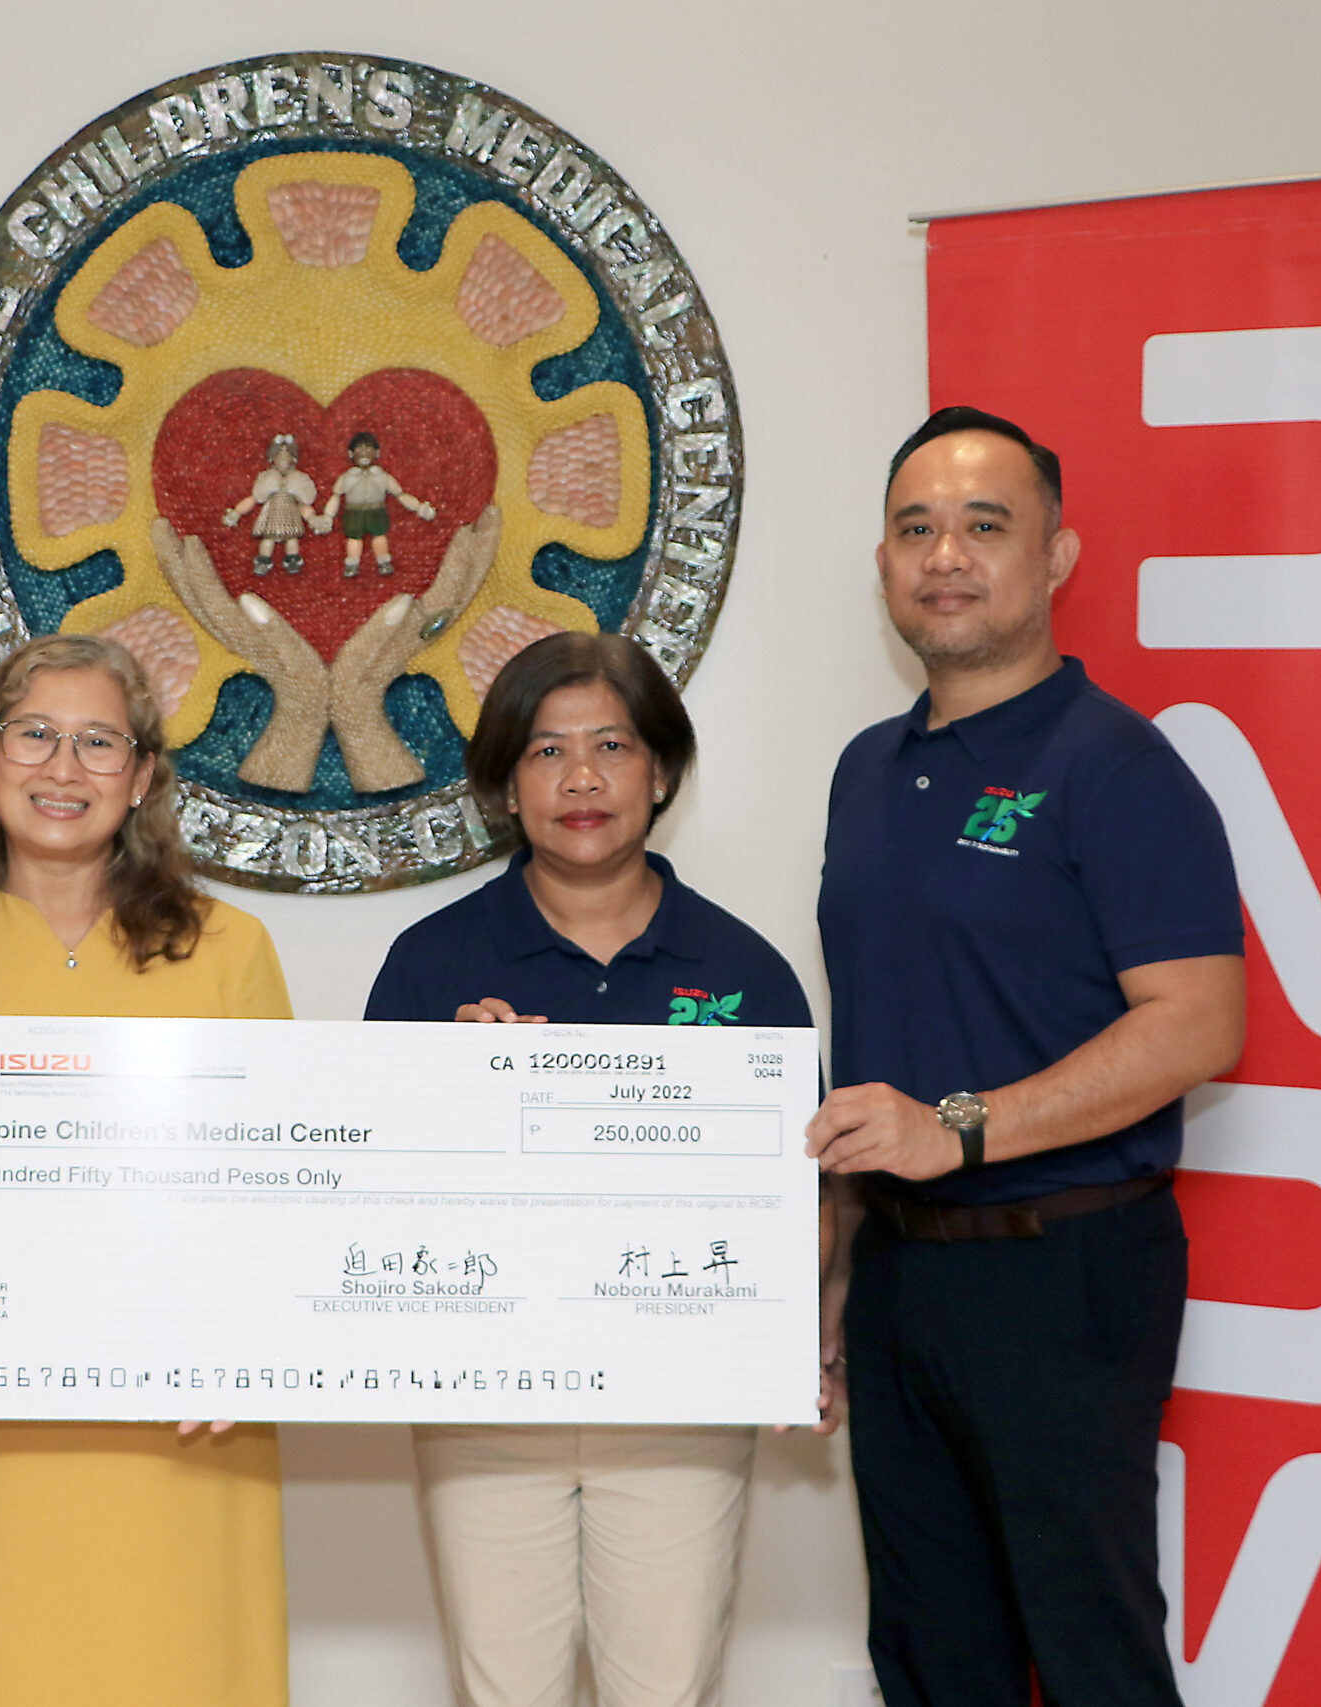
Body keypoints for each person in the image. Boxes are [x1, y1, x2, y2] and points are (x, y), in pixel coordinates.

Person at [808, 407, 1245, 1707]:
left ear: (1056, 556)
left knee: (1094, 1652)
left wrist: (966, 1124)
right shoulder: (865, 773)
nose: (946, 554)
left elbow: (1198, 1019)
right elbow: (882, 1035)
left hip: (1066, 1270)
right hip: (899, 1280)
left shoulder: (1118, 764)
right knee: (934, 1662)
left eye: (985, 525)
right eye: (916, 526)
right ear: (884, 561)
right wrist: (832, 1275)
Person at [0, 631, 295, 1707]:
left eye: (100, 743)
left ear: (141, 777)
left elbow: (285, 1200)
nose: (63, 768)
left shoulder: (229, 952)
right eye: (34, 734)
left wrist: (253, 1344)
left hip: (180, 1435)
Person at [366, 632, 814, 1707]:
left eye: (611, 746)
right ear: (504, 786)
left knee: (663, 1688)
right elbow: (364, 1194)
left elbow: (803, 1185)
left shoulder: (744, 969)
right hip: (485, 1398)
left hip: (680, 1397)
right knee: (502, 1688)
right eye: (545, 751)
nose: (580, 779)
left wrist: (798, 1337)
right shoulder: (430, 964)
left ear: (658, 772)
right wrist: (453, 1099)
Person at [319, 429, 436, 576]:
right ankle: (352, 564)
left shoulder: (382, 476)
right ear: (350, 454)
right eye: (359, 448)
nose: (363, 452)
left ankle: (383, 562)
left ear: (377, 453)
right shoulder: (347, 477)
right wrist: (328, 516)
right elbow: (336, 496)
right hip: (353, 513)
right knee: (354, 539)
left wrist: (419, 507)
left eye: (368, 448)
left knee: (379, 537)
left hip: (377, 513)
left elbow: (400, 494)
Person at [221, 431, 319, 574]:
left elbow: (303, 505)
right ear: (272, 459)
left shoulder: (298, 479)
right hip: (272, 513)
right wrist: (237, 512)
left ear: (294, 459)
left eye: (287, 457)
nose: (283, 461)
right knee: (268, 539)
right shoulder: (267, 478)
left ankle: (292, 560)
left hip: (290, 514)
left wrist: (312, 518)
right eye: (279, 457)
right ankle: (264, 560)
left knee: (292, 539)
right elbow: (254, 499)